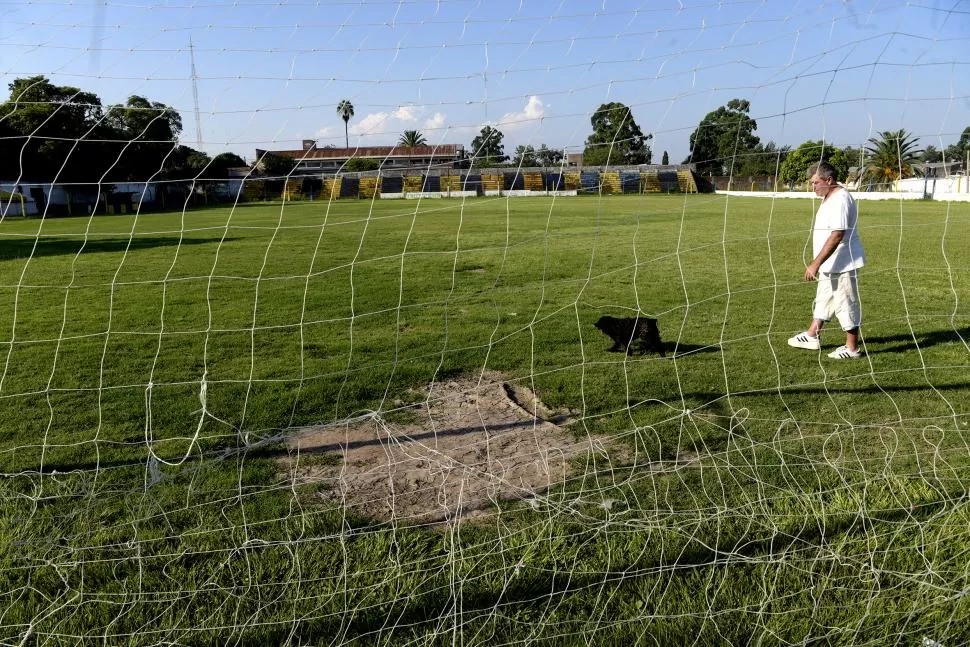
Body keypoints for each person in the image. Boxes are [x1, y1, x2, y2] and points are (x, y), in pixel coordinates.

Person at [788, 160, 866, 359]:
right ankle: (812, 335)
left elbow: (837, 234)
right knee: (824, 298)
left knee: (845, 302)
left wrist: (815, 263)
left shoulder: (840, 200)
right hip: (831, 264)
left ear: (829, 180)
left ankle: (852, 348)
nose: (812, 187)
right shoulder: (829, 196)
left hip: (842, 263)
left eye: (815, 182)